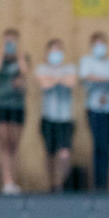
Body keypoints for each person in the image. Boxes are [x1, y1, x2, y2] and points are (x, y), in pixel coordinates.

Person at [78, 31, 109, 192]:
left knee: (106, 147)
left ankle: (104, 183)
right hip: (94, 109)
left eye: (103, 43)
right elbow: (86, 78)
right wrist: (107, 81)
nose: (100, 47)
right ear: (92, 46)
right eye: (97, 44)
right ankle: (96, 184)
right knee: (98, 146)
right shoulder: (87, 61)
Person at [0, 28, 31, 194]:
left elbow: (25, 71)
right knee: (4, 145)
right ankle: (6, 180)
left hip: (17, 106)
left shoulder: (23, 58)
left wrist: (19, 55)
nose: (9, 45)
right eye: (7, 41)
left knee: (14, 144)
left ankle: (13, 180)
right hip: (0, 105)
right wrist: (1, 53)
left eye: (12, 41)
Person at [35, 39, 77, 192]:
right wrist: (60, 80)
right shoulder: (41, 68)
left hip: (65, 118)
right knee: (50, 153)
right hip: (48, 118)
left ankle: (61, 183)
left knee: (64, 153)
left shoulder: (70, 68)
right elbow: (44, 84)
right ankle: (51, 184)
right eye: (52, 51)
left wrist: (54, 80)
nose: (55, 54)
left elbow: (71, 82)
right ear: (47, 53)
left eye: (58, 51)